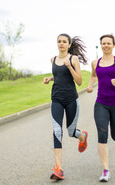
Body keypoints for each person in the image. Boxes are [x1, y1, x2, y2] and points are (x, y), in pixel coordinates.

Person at [43, 33, 89, 181]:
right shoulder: (53, 59)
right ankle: (58, 169)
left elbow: (79, 81)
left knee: (71, 132)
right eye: (59, 41)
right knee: (57, 131)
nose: (61, 43)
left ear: (69, 45)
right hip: (56, 99)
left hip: (71, 100)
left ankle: (83, 137)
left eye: (64, 42)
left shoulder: (73, 59)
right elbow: (59, 76)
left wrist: (70, 67)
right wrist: (50, 78)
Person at [87, 34, 115, 182]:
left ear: (113, 45)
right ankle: (105, 170)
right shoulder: (95, 62)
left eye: (108, 43)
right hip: (101, 103)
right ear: (100, 45)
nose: (106, 45)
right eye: (103, 43)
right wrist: (89, 85)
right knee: (102, 133)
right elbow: (93, 75)